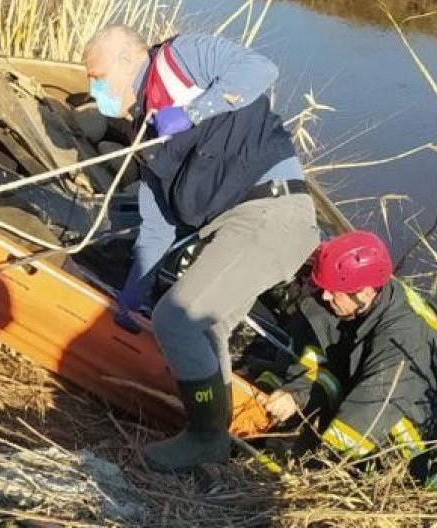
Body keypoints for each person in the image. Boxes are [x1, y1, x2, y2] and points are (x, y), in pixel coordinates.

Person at [82, 25, 319, 473]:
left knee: (177, 319)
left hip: (271, 209)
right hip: (233, 223)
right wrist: (133, 292)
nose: (94, 90)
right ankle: (215, 440)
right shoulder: (146, 132)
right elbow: (158, 227)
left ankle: (206, 437)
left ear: (126, 60)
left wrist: (193, 112)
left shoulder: (182, 58)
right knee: (209, 327)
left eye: (97, 77)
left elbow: (260, 69)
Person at [253, 230, 437, 489]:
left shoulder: (400, 345)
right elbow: (322, 358)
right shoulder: (369, 301)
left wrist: (307, 471)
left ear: (366, 293)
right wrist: (296, 394)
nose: (325, 296)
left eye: (334, 291)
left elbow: (357, 428)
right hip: (411, 404)